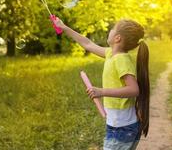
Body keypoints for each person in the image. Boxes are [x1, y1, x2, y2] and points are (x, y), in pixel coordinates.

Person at [54, 17, 150, 150]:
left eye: (112, 29)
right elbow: (87, 43)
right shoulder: (111, 54)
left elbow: (134, 89)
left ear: (117, 38)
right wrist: (64, 27)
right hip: (121, 125)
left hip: (121, 128)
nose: (109, 31)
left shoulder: (121, 60)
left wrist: (101, 92)